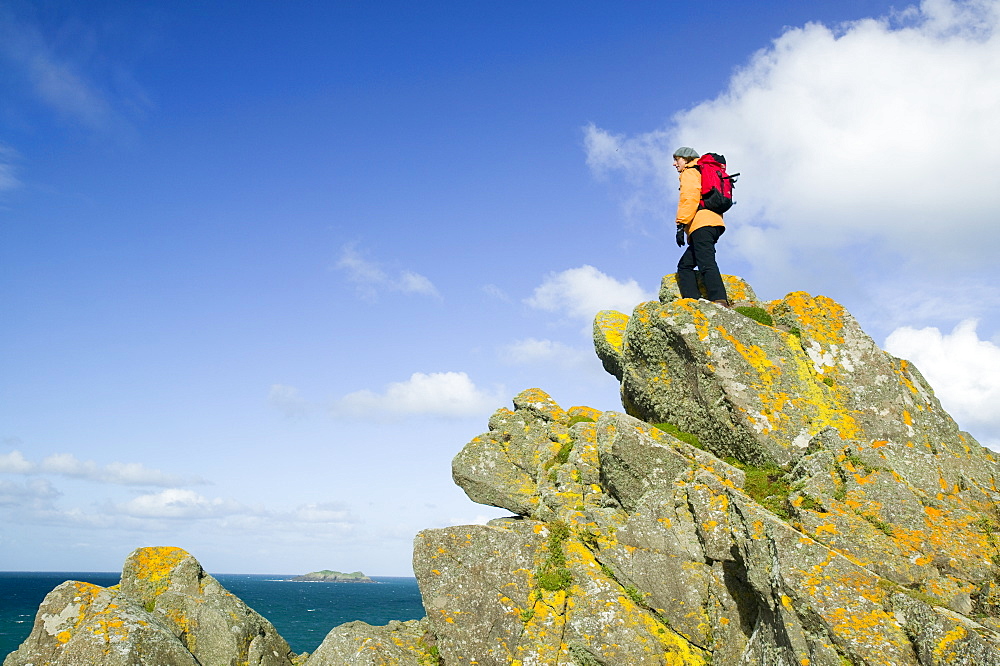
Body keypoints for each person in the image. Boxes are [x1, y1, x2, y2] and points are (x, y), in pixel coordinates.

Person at [672, 146, 729, 307]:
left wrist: (680, 224)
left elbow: (689, 198)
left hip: (701, 224)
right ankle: (694, 302)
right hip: (713, 223)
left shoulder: (690, 172)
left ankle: (719, 300)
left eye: (677, 160)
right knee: (685, 265)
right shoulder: (702, 171)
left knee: (706, 262)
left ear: (687, 158)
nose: (675, 164)